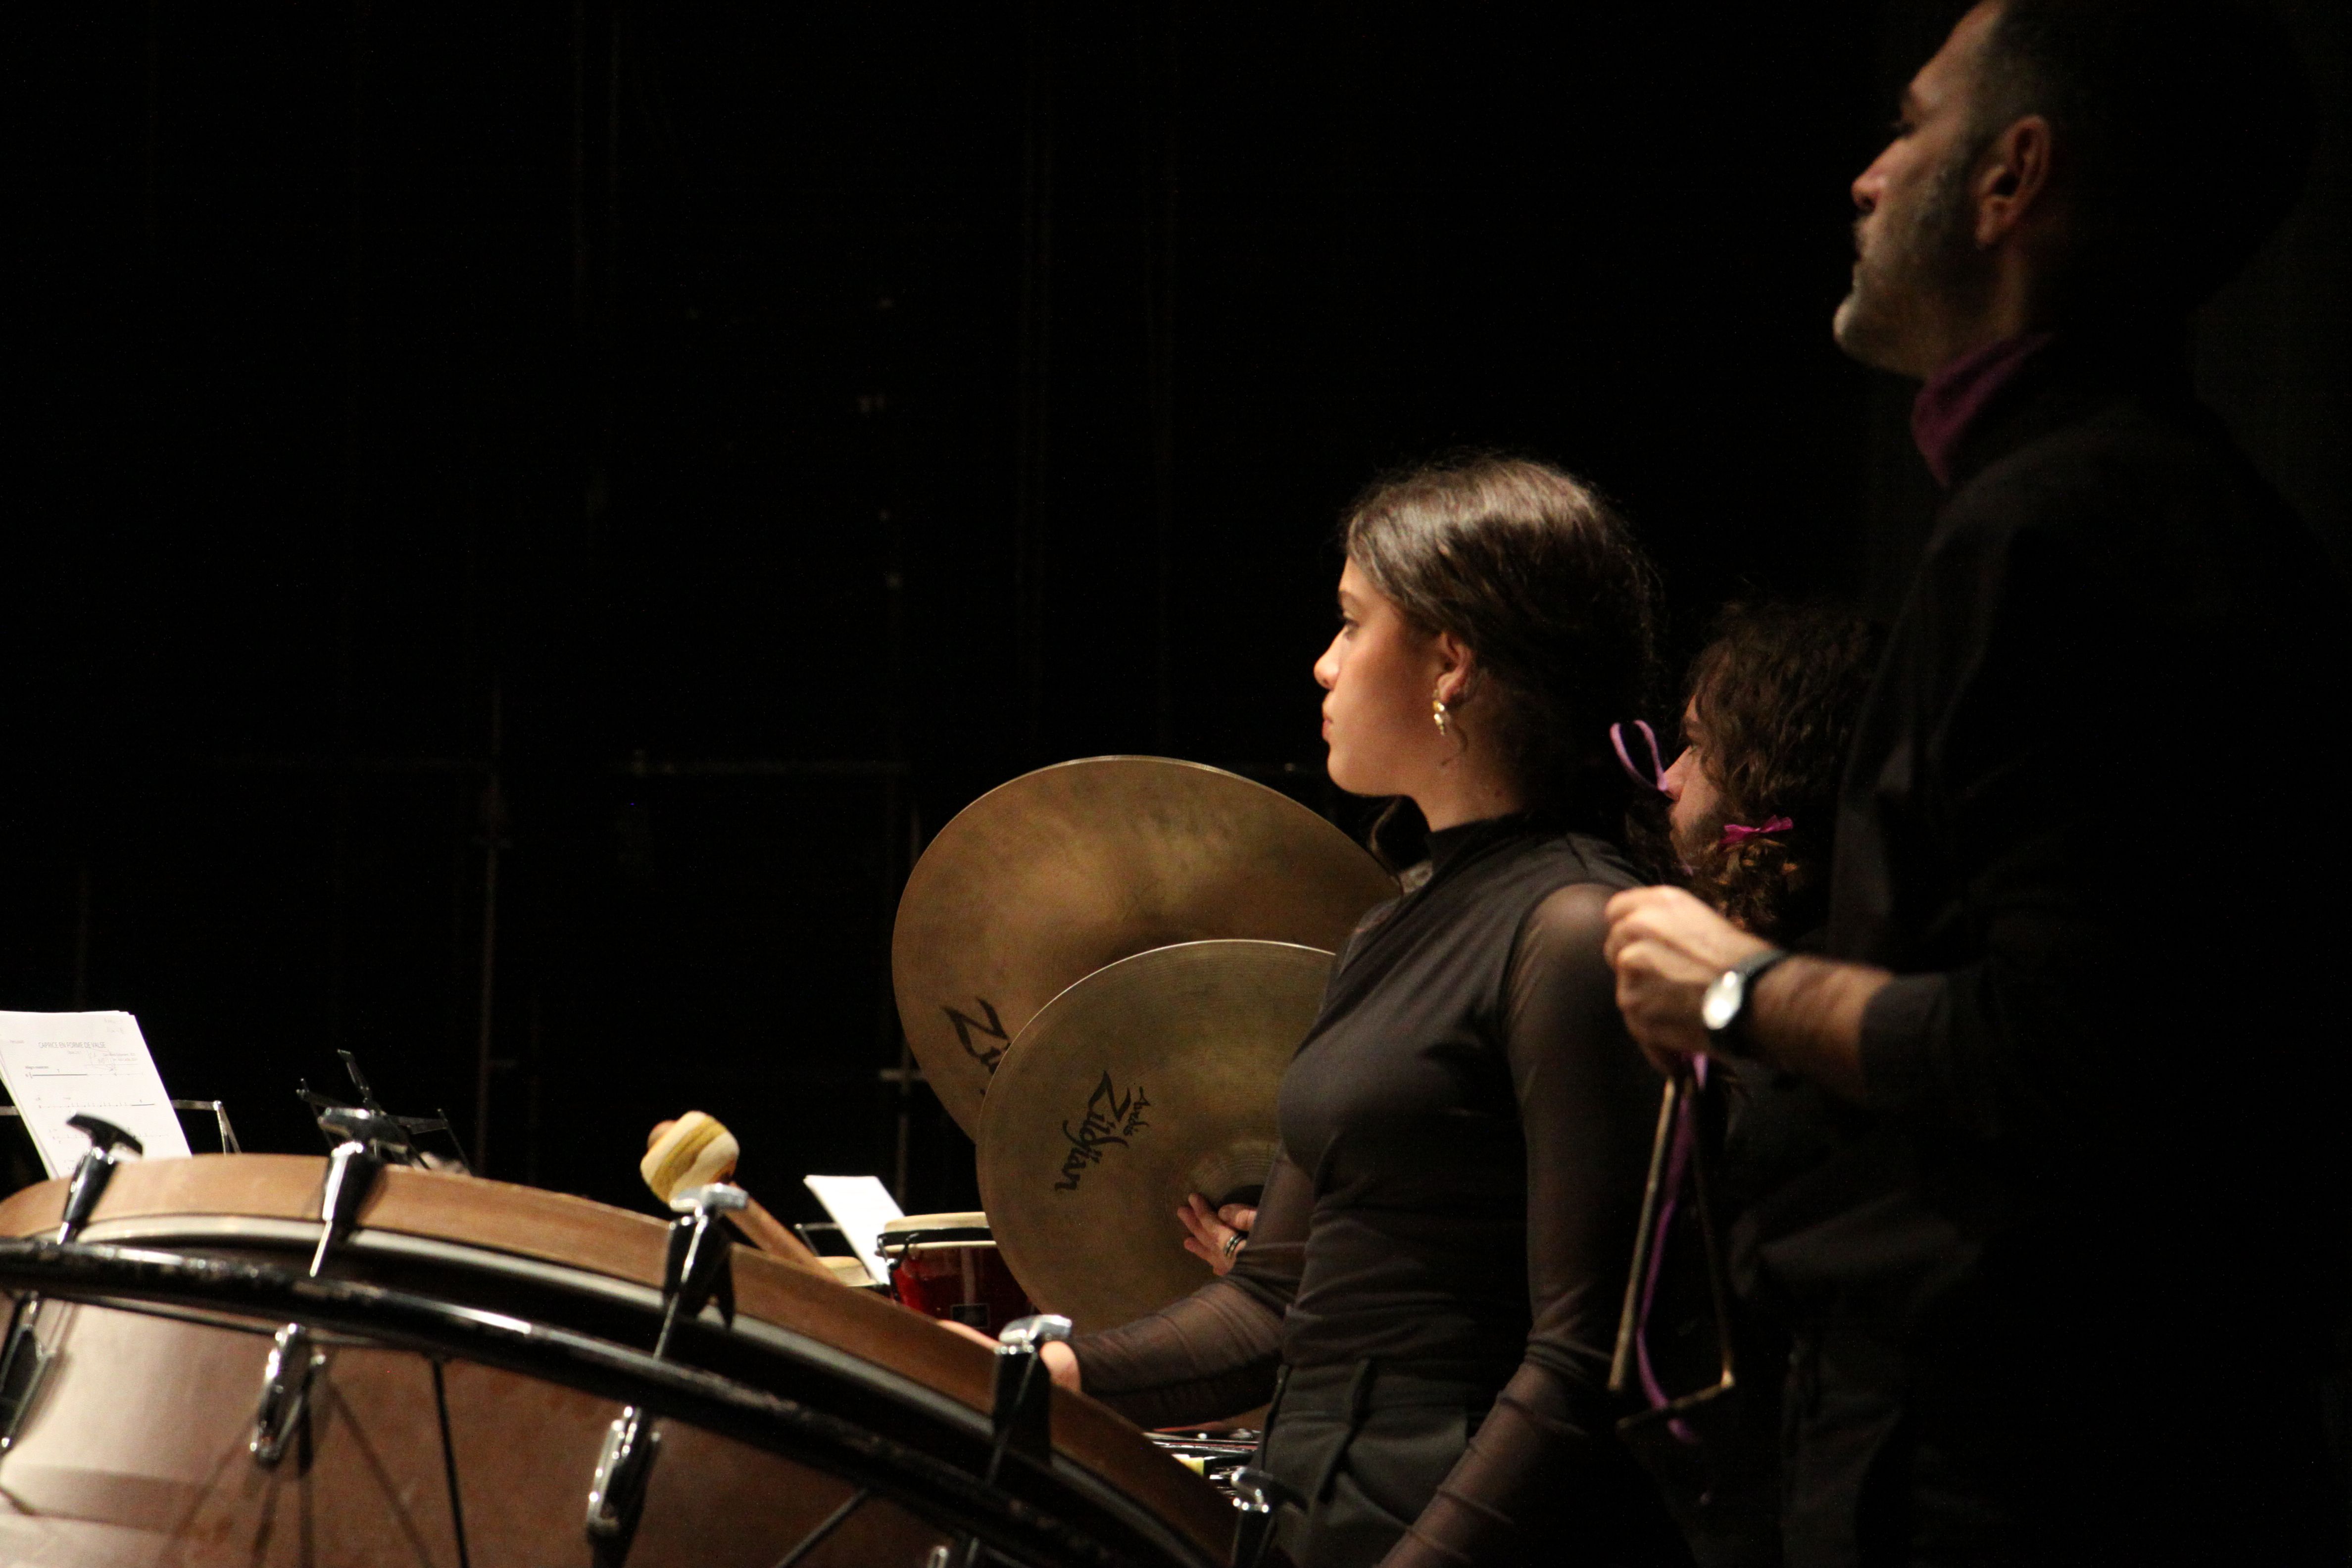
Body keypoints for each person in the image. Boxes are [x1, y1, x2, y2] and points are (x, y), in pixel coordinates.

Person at [1603, 2, 2349, 1562]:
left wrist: (1737, 989)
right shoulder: (2173, 511)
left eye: (1912, 125)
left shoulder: (2061, 531)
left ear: (2013, 178)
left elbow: (2074, 1045)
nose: (1868, 176)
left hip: (2012, 1464)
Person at [1043, 455, 1691, 1568]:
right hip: (1324, 1509)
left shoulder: (1574, 928)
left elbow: (1584, 1361)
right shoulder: (1394, 929)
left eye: (1351, 624)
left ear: (1452, 661)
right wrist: (1042, 1371)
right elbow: (1274, 1303)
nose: (1325, 662)